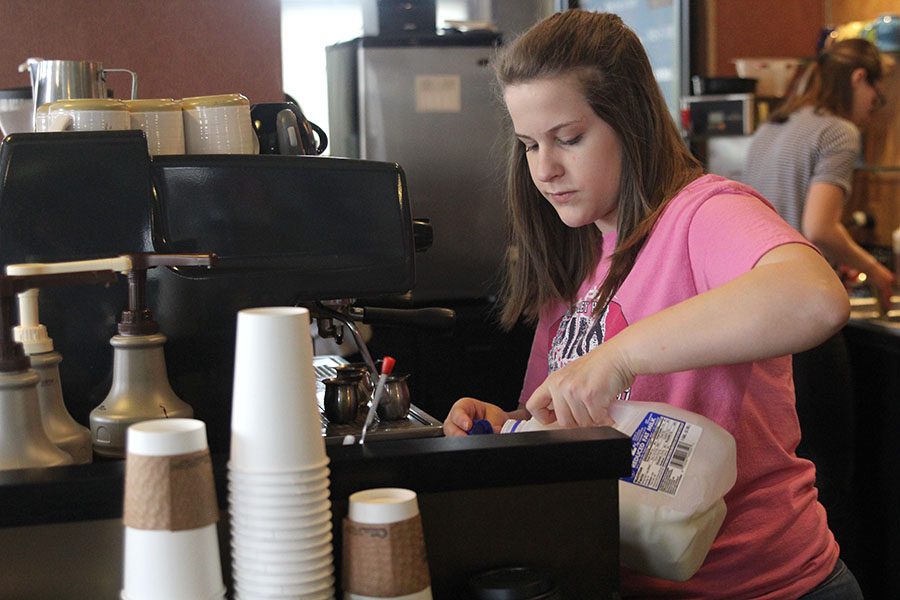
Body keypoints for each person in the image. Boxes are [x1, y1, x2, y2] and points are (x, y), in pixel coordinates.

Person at [442, 9, 861, 599]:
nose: (545, 169)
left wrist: (619, 357)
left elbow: (815, 298)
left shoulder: (703, 213)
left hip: (765, 588)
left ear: (631, 122)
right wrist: (505, 427)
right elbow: (568, 420)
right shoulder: (577, 251)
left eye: (568, 139)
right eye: (529, 145)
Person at [742, 37, 894, 576]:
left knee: (782, 465)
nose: (876, 104)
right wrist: (878, 270)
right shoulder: (838, 131)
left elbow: (775, 221)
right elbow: (818, 226)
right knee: (830, 471)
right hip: (800, 321)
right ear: (859, 80)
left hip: (751, 317)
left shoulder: (775, 126)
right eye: (877, 90)